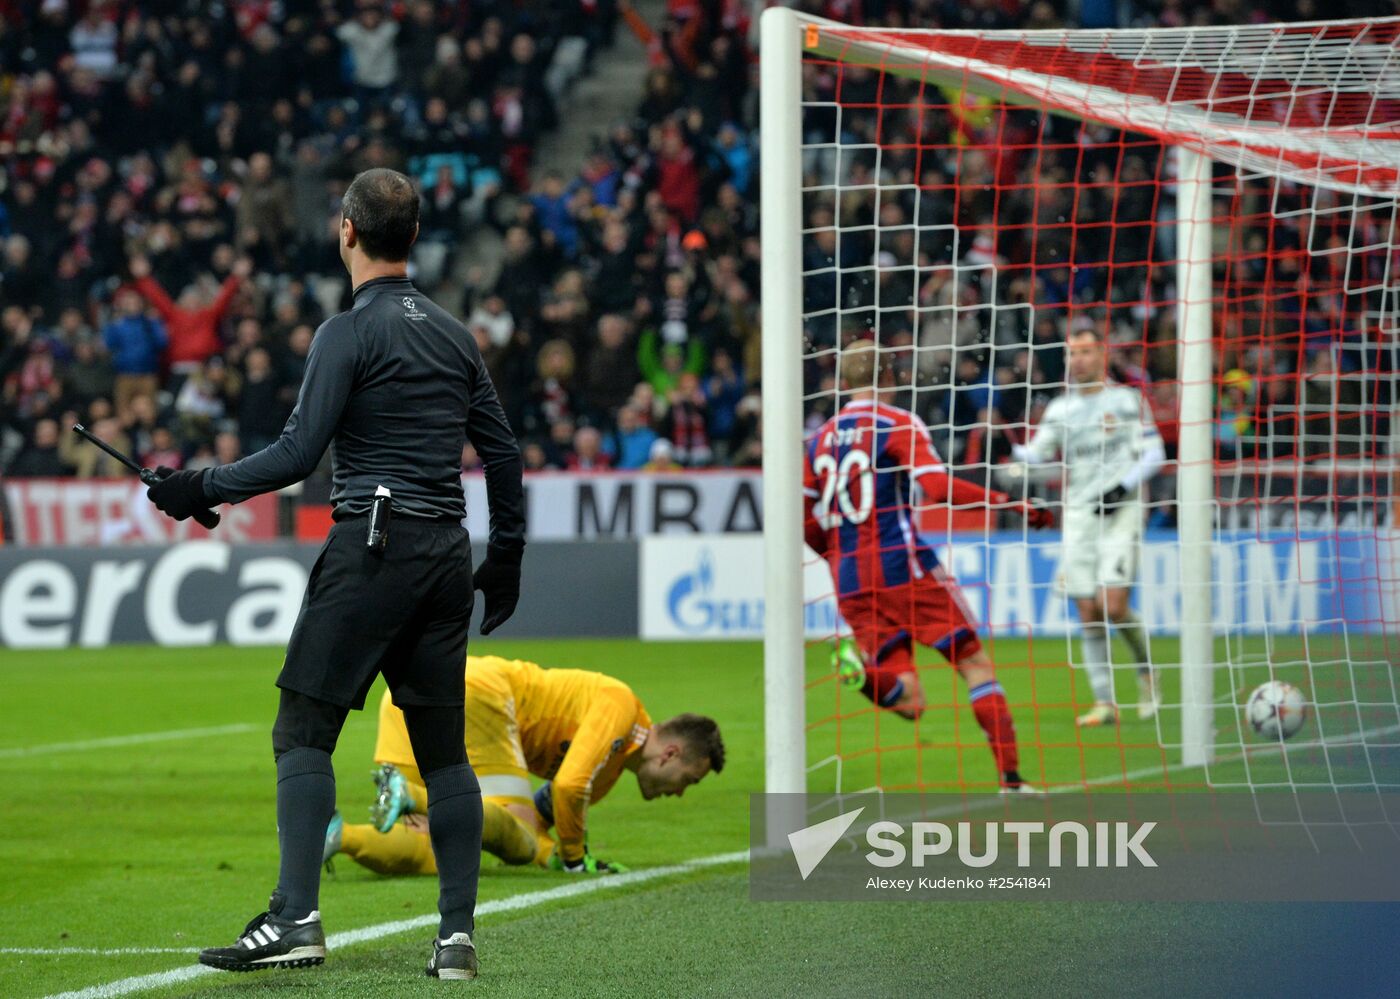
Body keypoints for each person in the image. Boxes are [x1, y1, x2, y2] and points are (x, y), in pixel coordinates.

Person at [146, 168, 525, 981]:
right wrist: (508, 558)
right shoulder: (457, 335)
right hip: (445, 556)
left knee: (303, 730)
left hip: (375, 545)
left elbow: (296, 454)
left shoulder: (346, 332)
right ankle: (456, 938)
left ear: (347, 232)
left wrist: (194, 488)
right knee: (444, 753)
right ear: (412, 239)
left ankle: (296, 915)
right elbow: (504, 453)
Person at [804, 340, 1051, 794]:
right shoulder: (898, 423)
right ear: (892, 378)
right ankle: (1012, 782)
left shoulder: (816, 439)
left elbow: (804, 519)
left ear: (843, 383)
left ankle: (861, 672)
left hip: (850, 580)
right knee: (974, 664)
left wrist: (838, 558)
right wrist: (1005, 501)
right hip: (905, 567)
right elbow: (935, 487)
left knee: (911, 701)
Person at [323, 655, 724, 876]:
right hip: (479, 693)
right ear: (670, 754)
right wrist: (571, 858)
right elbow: (569, 786)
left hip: (414, 687)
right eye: (688, 780)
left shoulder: (610, 771)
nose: (680, 792)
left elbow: (544, 814)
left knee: (439, 850)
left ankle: (335, 837)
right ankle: (409, 794)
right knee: (514, 841)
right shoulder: (621, 708)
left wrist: (551, 853)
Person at [1010, 326, 1165, 726]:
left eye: (1083, 351)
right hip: (1078, 515)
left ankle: (1147, 671)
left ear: (1102, 354)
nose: (1076, 360)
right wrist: (1009, 449)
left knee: (1112, 605)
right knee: (1087, 610)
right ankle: (1104, 703)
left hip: (1122, 511)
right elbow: (1039, 454)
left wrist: (1122, 487)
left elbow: (1155, 453)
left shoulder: (1127, 401)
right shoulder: (1060, 410)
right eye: (1071, 353)